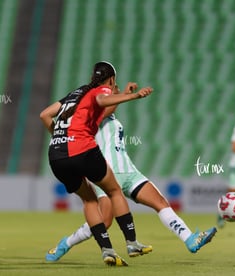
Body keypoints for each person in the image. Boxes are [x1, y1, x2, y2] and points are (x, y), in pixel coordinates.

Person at [45, 85, 217, 263]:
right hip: (107, 171)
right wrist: (126, 94)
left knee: (160, 203)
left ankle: (190, 240)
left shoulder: (110, 116)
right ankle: (65, 244)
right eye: (111, 90)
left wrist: (122, 93)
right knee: (105, 221)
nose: (111, 92)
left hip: (129, 172)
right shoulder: (91, 114)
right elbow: (106, 106)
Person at [40, 61, 153, 266]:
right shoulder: (100, 90)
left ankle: (107, 250)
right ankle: (132, 242)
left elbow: (45, 114)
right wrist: (134, 95)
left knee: (90, 201)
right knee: (115, 192)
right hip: (82, 151)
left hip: (56, 156)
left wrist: (60, 137)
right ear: (111, 80)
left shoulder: (75, 95)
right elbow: (102, 99)